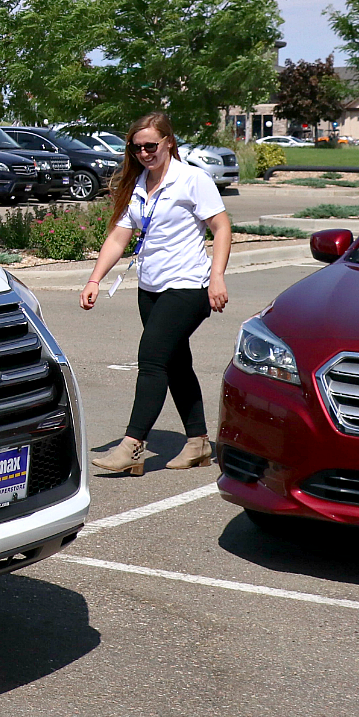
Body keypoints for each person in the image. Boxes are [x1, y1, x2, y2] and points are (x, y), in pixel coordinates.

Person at [80, 112, 232, 474]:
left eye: (150, 146)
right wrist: (94, 279)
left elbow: (221, 228)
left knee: (151, 359)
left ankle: (132, 445)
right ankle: (198, 442)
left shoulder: (192, 179)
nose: (144, 153)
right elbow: (120, 235)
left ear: (169, 142)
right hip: (150, 287)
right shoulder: (139, 183)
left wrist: (217, 277)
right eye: (137, 148)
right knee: (176, 363)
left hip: (189, 286)